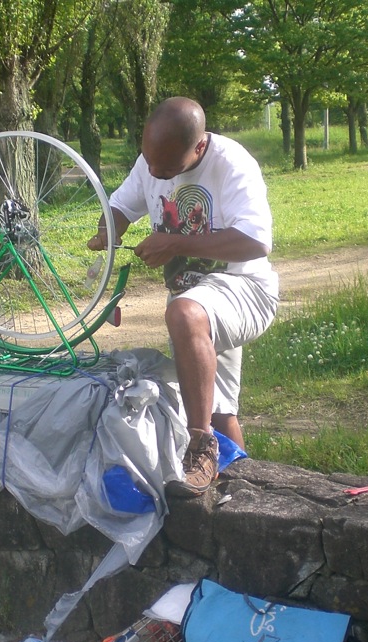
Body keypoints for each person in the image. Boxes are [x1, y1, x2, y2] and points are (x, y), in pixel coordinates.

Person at [88, 97, 279, 498]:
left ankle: (199, 445)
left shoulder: (232, 164)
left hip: (246, 291)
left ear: (199, 147)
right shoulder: (153, 161)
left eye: (168, 169)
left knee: (183, 314)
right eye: (150, 162)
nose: (156, 174)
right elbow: (122, 205)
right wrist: (111, 230)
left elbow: (256, 241)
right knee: (217, 405)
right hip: (203, 299)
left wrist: (174, 243)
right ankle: (242, 491)